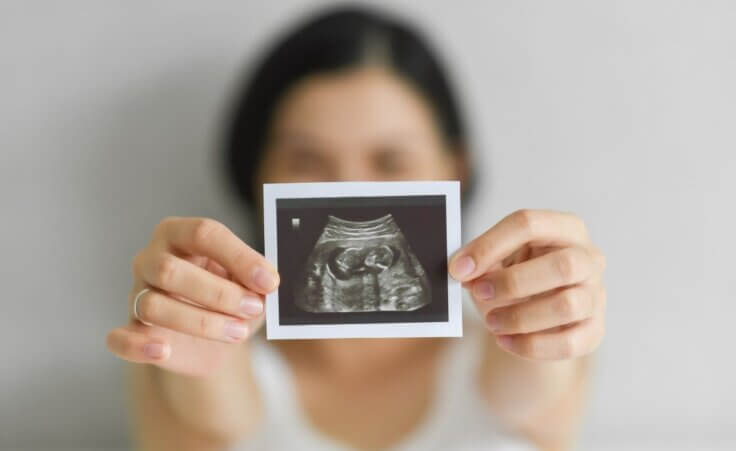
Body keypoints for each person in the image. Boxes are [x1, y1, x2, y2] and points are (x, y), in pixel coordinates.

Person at [106, 7, 606, 451]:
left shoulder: (515, 357)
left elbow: (534, 386)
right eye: (306, 158)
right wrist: (194, 360)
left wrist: (555, 318)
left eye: (391, 159)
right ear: (255, 175)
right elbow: (211, 413)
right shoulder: (193, 346)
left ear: (457, 170)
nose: (350, 190)